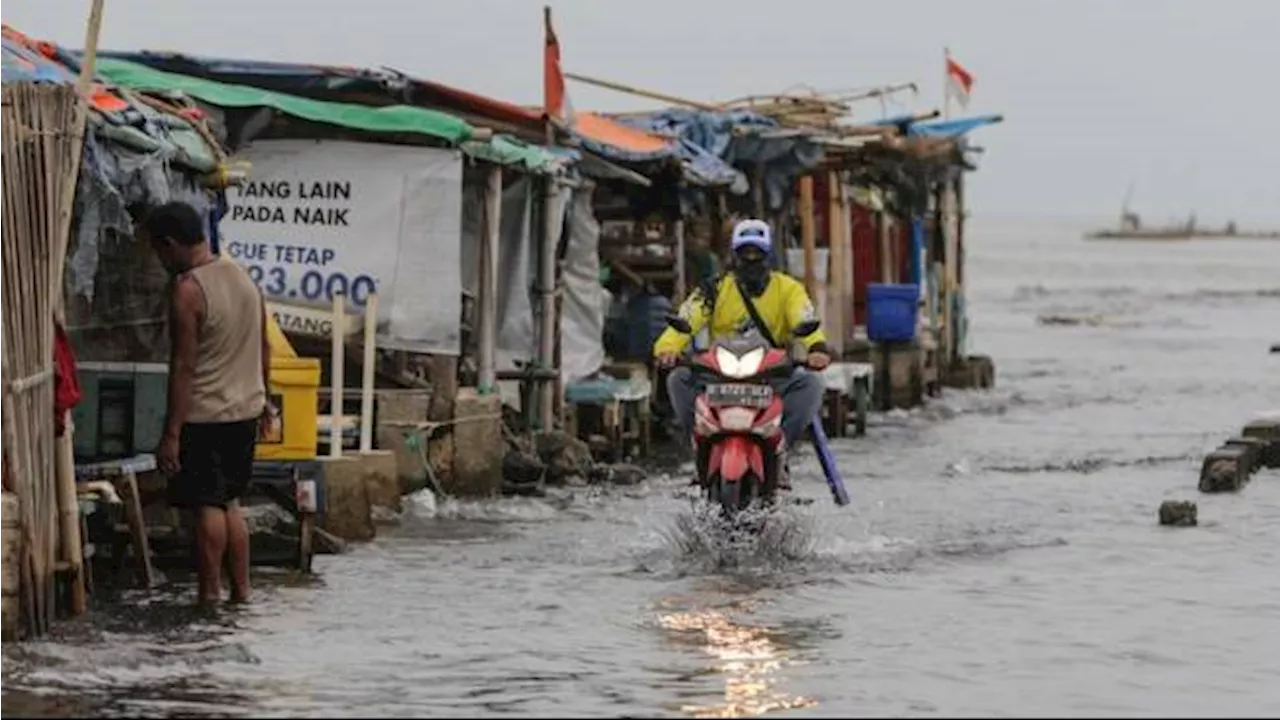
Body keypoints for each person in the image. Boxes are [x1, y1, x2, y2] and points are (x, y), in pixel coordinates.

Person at [144, 200, 273, 607]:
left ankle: (208, 594)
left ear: (170, 244)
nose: (162, 261)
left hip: (205, 415)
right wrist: (265, 401)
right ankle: (241, 592)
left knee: (205, 508)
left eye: (159, 252)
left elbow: (183, 367)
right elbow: (264, 347)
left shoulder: (188, 290)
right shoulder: (244, 278)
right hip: (245, 412)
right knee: (230, 503)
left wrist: (171, 433)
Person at [653, 218, 830, 487]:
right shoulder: (713, 289)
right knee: (678, 380)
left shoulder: (788, 289)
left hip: (770, 375)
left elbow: (803, 318)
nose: (751, 260)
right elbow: (686, 319)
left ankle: (781, 447)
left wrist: (816, 348)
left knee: (811, 384)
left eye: (757, 254)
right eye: (745, 254)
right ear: (734, 257)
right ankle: (699, 444)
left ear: (768, 257)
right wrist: (667, 349)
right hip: (718, 374)